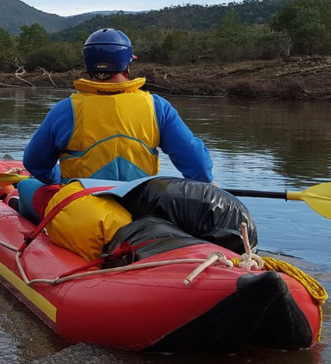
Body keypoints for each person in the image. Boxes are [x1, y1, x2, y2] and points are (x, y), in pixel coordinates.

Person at [14, 28, 213, 225]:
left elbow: (34, 164)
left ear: (88, 65)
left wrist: (57, 178)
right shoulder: (157, 107)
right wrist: (205, 188)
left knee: (27, 185)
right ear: (127, 64)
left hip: (82, 211)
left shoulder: (65, 110)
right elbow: (199, 167)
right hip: (140, 209)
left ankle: (30, 225)